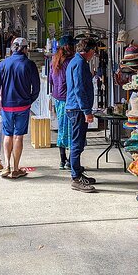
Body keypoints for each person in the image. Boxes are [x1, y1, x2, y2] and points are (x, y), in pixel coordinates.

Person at [0, 37, 40, 179]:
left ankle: (6, 167)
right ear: (24, 49)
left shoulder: (4, 64)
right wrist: (30, 99)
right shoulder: (29, 64)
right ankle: (16, 169)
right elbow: (36, 87)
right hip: (23, 106)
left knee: (7, 134)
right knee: (18, 136)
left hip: (7, 106)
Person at [65, 37, 98, 193]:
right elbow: (79, 89)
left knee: (78, 141)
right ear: (89, 51)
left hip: (75, 107)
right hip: (77, 109)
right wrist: (87, 111)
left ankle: (77, 172)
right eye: (93, 52)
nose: (94, 55)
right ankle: (76, 178)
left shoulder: (75, 61)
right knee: (77, 143)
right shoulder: (79, 64)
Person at [49, 35, 76, 170]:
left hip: (58, 99)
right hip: (70, 99)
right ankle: (71, 161)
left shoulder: (54, 60)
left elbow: (51, 80)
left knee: (62, 129)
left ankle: (62, 160)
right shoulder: (72, 61)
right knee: (72, 130)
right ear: (69, 47)